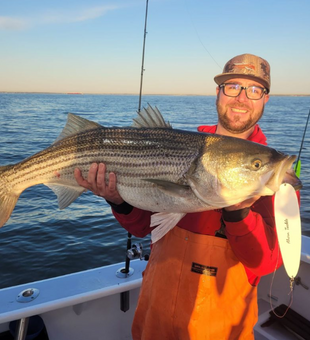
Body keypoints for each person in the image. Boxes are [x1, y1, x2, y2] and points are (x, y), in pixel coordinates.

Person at [74, 54, 289, 339]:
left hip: (221, 329)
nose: (241, 98)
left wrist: (238, 213)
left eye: (254, 90)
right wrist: (118, 200)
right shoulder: (181, 145)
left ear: (265, 98)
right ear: (218, 92)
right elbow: (143, 227)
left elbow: (266, 262)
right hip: (154, 315)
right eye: (232, 86)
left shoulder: (273, 177)